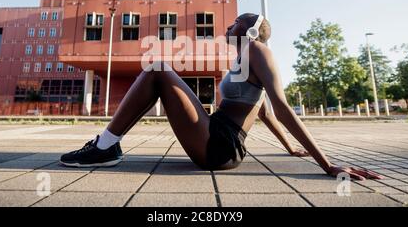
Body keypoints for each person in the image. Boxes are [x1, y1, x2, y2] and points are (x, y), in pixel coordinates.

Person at [60, 13, 382, 180]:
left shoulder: (258, 51)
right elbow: (265, 113)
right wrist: (289, 148)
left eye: (235, 24)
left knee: (157, 68)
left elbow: (281, 107)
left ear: (250, 31)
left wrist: (325, 164)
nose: (228, 28)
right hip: (217, 134)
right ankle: (106, 144)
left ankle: (105, 146)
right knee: (160, 72)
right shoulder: (245, 60)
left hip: (219, 146)